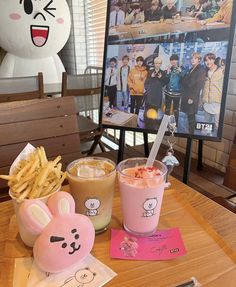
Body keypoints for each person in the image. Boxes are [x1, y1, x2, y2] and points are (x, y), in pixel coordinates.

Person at [181, 52, 206, 134]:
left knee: (191, 115)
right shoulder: (191, 68)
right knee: (189, 115)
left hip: (192, 97)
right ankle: (190, 132)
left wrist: (192, 98)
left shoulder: (201, 70)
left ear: (199, 60)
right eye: (192, 58)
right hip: (186, 95)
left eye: (195, 58)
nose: (192, 60)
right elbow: (184, 81)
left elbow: (198, 86)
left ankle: (191, 134)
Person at [144, 56, 169, 130]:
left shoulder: (163, 72)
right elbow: (146, 83)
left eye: (159, 63)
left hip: (158, 94)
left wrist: (161, 77)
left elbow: (165, 83)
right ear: (154, 64)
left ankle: (153, 126)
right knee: (148, 110)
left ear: (161, 64)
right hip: (150, 94)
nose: (157, 65)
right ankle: (147, 126)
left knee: (155, 111)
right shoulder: (150, 72)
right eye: (156, 63)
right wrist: (151, 76)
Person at [202, 53, 224, 132]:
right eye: (206, 60)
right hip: (207, 103)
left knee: (217, 126)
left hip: (217, 103)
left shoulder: (221, 71)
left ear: (214, 60)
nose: (208, 62)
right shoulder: (205, 72)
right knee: (205, 127)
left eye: (210, 59)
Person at [164, 54, 185, 126]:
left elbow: (184, 78)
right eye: (172, 60)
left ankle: (175, 124)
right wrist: (167, 73)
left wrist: (180, 72)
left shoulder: (181, 68)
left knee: (176, 109)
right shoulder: (170, 68)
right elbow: (166, 79)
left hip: (177, 93)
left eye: (175, 60)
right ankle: (165, 124)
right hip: (168, 92)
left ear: (177, 60)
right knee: (167, 108)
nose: (173, 61)